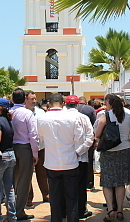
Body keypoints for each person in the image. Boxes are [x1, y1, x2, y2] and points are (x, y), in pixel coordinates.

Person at [36, 94, 89, 222]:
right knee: (72, 197)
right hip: (70, 162)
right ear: (63, 104)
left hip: (51, 163)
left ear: (49, 104)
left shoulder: (41, 119)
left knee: (54, 197)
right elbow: (78, 138)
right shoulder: (72, 118)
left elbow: (41, 137)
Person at [94, 94, 130, 222]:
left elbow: (97, 133)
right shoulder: (128, 115)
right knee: (120, 182)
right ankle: (120, 210)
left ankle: (111, 209)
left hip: (109, 150)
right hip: (124, 149)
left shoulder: (105, 115)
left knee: (107, 181)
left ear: (110, 104)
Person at [10, 88, 39, 220]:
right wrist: (35, 153)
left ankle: (11, 209)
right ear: (25, 99)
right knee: (24, 180)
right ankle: (19, 210)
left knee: (12, 180)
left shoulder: (9, 112)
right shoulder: (27, 114)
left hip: (11, 148)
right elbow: (33, 134)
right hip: (25, 148)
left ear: (12, 99)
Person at [66, 95, 94, 219]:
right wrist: (79, 151)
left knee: (65, 185)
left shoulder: (61, 118)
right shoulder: (84, 118)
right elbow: (90, 137)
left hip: (65, 157)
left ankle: (65, 210)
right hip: (81, 158)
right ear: (77, 105)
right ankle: (81, 210)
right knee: (81, 185)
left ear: (65, 105)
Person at [0, 98, 17, 222]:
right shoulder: (8, 121)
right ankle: (12, 216)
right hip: (11, 154)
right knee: (9, 188)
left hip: (1, 157)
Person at [24, 90, 48, 205]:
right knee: (27, 174)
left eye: (35, 99)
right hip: (27, 148)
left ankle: (46, 194)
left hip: (41, 147)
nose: (34, 101)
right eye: (31, 99)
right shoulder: (21, 113)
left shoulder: (41, 113)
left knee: (42, 172)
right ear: (25, 99)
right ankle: (28, 197)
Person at [77, 96, 97, 190]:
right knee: (88, 161)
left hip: (75, 140)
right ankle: (89, 183)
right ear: (85, 101)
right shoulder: (90, 109)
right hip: (88, 139)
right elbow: (95, 124)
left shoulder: (73, 108)